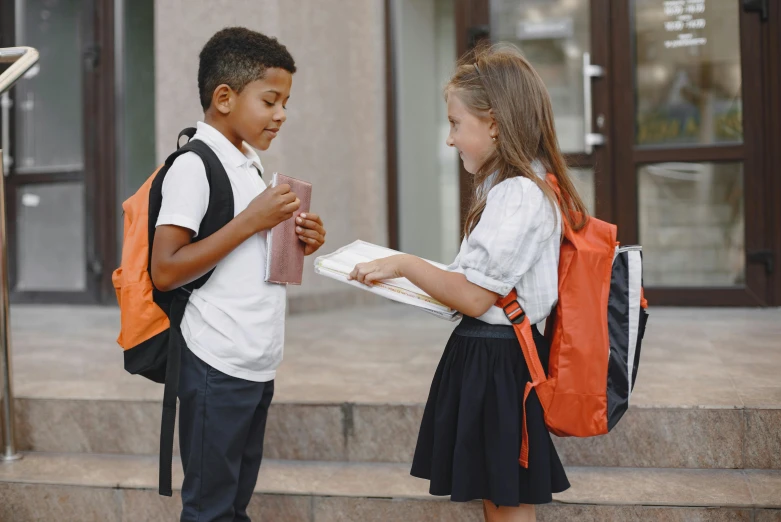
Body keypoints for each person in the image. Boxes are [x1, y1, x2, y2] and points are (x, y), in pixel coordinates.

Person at [349, 44, 587, 521]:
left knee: (506, 501)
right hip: (491, 358)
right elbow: (476, 282)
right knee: (498, 495)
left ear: (494, 123)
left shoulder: (519, 194)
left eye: (456, 124)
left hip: (499, 363)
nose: (450, 139)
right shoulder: (509, 187)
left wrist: (404, 264)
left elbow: (477, 297)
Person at [150, 27, 326, 522]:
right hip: (214, 362)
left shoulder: (247, 163)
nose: (281, 115)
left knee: (232, 505)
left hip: (254, 360)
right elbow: (165, 269)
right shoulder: (195, 166)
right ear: (224, 97)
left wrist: (298, 238)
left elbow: (241, 252)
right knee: (209, 508)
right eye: (270, 101)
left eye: (286, 102)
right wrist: (252, 220)